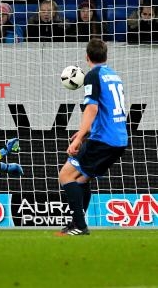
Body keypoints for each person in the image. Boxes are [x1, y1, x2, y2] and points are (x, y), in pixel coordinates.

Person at [57, 38, 128, 236]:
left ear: (87, 57)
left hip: (104, 139)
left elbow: (92, 108)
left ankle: (80, 226)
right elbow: (107, 109)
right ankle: (76, 224)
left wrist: (79, 138)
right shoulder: (113, 75)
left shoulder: (92, 75)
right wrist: (85, 131)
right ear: (106, 56)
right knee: (81, 179)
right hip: (119, 140)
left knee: (65, 175)